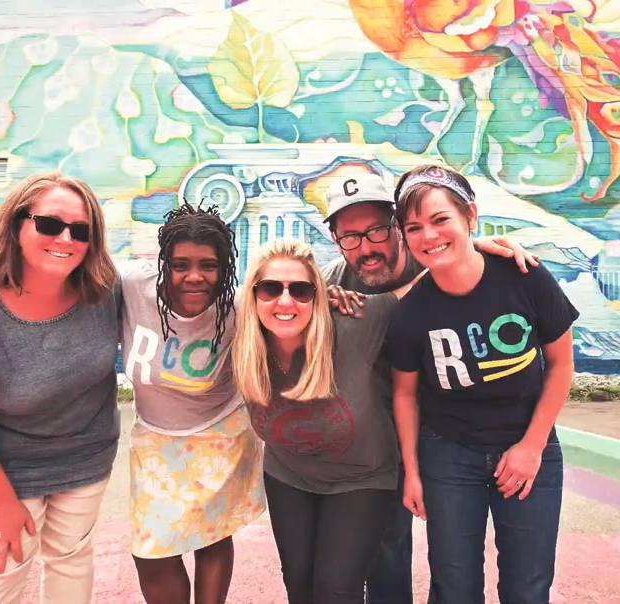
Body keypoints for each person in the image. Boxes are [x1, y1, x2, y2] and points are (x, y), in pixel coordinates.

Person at [319, 171, 539, 604]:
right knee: (385, 543)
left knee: (465, 557)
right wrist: (312, 297)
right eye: (350, 237)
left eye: (377, 231)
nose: (366, 247)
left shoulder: (434, 257)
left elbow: (452, 251)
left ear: (398, 225)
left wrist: (474, 246)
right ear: (335, 240)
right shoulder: (330, 280)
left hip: (446, 428)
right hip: (378, 430)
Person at [385, 165, 578, 604]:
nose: (429, 236)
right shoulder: (410, 312)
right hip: (449, 453)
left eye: (440, 220)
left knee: (528, 587)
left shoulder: (524, 276)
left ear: (470, 216)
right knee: (454, 588)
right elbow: (405, 394)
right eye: (413, 227)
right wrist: (413, 473)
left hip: (530, 446)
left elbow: (561, 365)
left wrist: (532, 446)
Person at [0, 172, 121, 603]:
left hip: (84, 460)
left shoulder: (104, 292)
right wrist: (0, 503)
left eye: (81, 230)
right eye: (50, 224)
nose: (65, 238)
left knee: (70, 562)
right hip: (3, 469)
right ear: (16, 225)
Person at [232, 238, 423, 604]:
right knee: (300, 585)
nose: (285, 302)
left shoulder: (353, 326)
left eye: (301, 290)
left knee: (337, 590)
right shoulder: (239, 340)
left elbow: (422, 283)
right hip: (289, 475)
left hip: (361, 476)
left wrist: (477, 244)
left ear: (317, 297)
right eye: (271, 289)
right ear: (253, 296)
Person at [120, 203, 266, 604]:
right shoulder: (133, 286)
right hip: (154, 438)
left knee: (211, 537)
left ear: (225, 269)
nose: (195, 277)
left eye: (209, 265)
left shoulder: (237, 311)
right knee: (151, 552)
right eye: (181, 264)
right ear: (164, 263)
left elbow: (297, 298)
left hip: (220, 434)